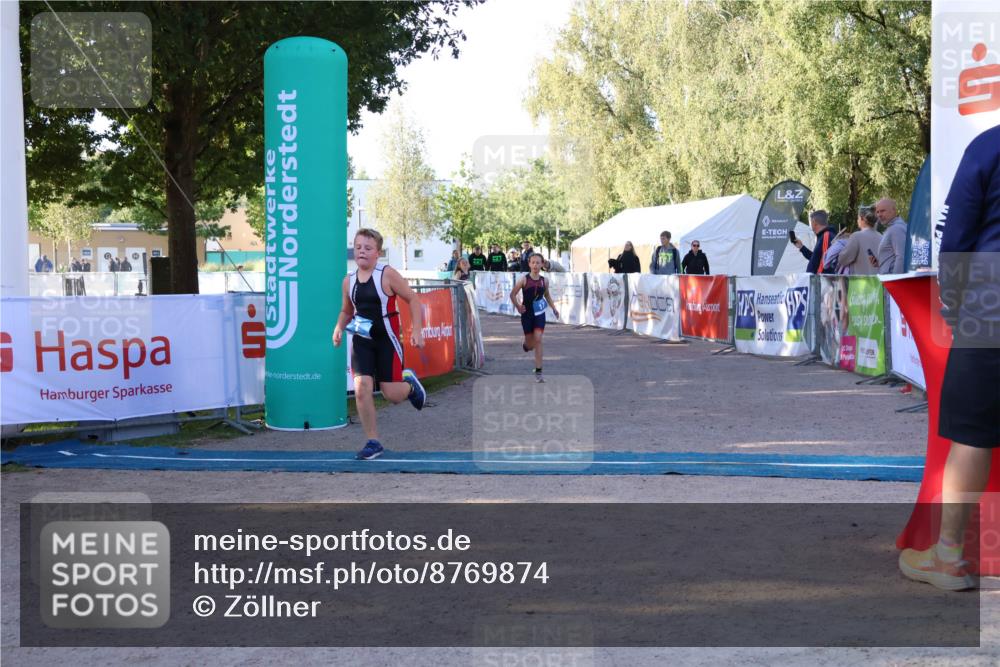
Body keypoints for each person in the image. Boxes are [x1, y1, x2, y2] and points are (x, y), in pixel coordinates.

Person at [899, 124, 1000, 591]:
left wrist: (954, 306)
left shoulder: (988, 145)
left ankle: (948, 558)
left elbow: (956, 235)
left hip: (991, 305)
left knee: (972, 436)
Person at [332, 228, 427, 461]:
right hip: (362, 339)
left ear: (378, 253)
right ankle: (373, 442)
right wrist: (338, 327)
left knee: (392, 395)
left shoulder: (387, 274)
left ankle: (411, 386)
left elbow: (413, 299)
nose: (362, 251)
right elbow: (347, 310)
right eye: (358, 247)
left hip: (387, 337)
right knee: (362, 388)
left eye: (367, 248)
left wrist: (417, 329)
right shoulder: (349, 281)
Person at [510, 253, 560, 383]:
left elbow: (547, 295)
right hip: (527, 314)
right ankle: (527, 345)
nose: (535, 265)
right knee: (530, 344)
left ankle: (539, 371)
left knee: (538, 339)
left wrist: (554, 308)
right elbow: (512, 294)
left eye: (538, 263)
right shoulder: (524, 279)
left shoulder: (545, 281)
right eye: (533, 262)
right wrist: (518, 307)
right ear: (529, 264)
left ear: (542, 264)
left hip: (539, 314)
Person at [836, 206, 883, 276]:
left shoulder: (856, 236)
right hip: (877, 283)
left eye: (858, 218)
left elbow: (843, 260)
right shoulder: (881, 236)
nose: (857, 220)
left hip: (860, 283)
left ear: (862, 218)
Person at [791, 210, 836, 274]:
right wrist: (801, 247)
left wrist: (817, 279)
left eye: (811, 221)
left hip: (820, 280)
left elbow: (825, 262)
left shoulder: (826, 236)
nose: (810, 225)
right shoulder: (822, 236)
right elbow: (815, 259)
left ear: (814, 222)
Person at [875, 197, 908, 274]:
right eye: (877, 212)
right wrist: (880, 261)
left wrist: (896, 280)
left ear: (894, 211)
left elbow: (901, 257)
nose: (879, 215)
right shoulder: (893, 227)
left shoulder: (896, 229)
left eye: (883, 211)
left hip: (893, 281)